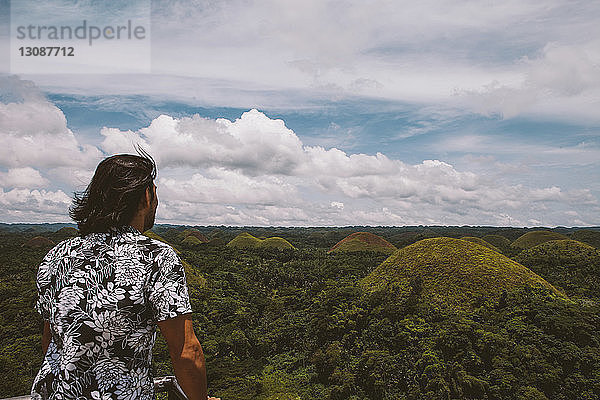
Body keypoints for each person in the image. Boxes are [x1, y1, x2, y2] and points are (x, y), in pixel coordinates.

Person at [32, 151, 212, 400]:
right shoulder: (156, 257)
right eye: (155, 191)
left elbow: (51, 340)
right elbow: (185, 350)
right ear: (145, 196)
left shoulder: (56, 255)